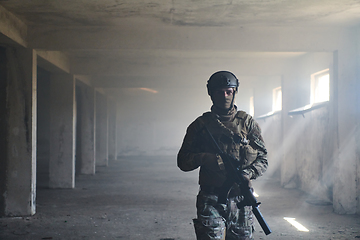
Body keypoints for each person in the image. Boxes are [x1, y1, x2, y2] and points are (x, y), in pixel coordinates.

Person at [177, 71, 268, 240]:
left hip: (241, 198)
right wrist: (205, 158)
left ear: (234, 92)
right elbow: (183, 161)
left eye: (229, 91)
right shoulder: (200, 126)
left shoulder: (247, 123)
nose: (224, 96)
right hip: (211, 198)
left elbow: (263, 158)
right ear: (211, 93)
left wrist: (247, 174)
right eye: (219, 92)